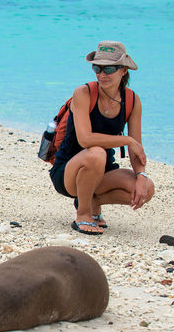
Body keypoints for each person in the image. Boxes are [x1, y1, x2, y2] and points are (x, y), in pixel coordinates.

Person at [48, 40, 155, 235]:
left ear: (123, 71)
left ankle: (92, 200)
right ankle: (83, 214)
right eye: (97, 68)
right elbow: (85, 140)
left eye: (109, 69)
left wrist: (141, 174)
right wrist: (127, 140)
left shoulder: (132, 100)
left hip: (104, 171)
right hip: (69, 172)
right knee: (96, 153)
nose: (101, 74)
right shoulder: (84, 93)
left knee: (147, 188)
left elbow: (136, 149)